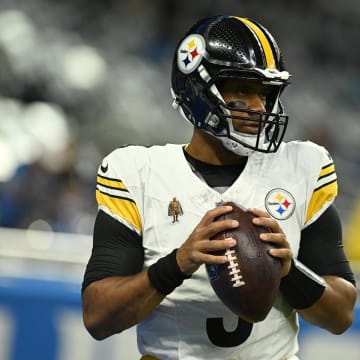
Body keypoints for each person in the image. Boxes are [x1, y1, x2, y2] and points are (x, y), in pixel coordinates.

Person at [81, 15, 357, 360]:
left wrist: (289, 271)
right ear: (197, 90)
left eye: (266, 93)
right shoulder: (139, 173)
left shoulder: (301, 167)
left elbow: (341, 314)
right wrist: (178, 264)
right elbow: (97, 317)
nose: (259, 107)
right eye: (243, 89)